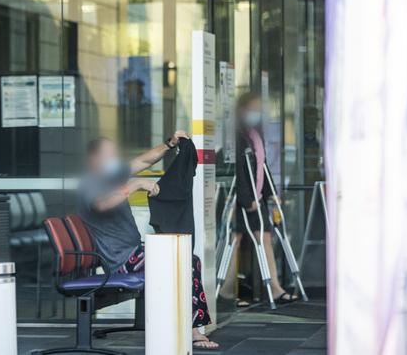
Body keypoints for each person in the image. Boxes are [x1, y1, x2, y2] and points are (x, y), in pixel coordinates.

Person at [77, 133, 220, 350]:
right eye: (108, 155)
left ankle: (187, 324)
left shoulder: (112, 176)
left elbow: (145, 160)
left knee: (190, 259)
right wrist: (134, 185)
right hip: (121, 261)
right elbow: (101, 204)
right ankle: (192, 330)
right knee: (185, 262)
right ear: (94, 159)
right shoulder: (90, 183)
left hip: (134, 252)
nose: (114, 158)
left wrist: (170, 144)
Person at [219, 92, 298, 306]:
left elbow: (261, 166)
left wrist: (271, 194)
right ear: (242, 110)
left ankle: (274, 287)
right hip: (244, 199)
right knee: (236, 241)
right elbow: (239, 170)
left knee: (263, 239)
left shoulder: (255, 134)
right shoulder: (236, 135)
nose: (257, 113)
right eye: (253, 109)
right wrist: (246, 200)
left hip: (258, 197)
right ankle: (226, 290)